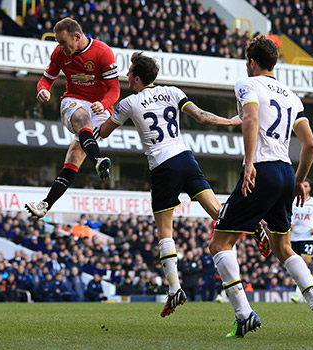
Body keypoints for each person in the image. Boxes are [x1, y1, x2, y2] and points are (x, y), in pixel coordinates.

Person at [209, 35, 313, 338]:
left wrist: (249, 162)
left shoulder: (247, 84)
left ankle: (244, 314)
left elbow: (250, 117)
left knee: (220, 244)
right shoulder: (292, 96)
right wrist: (300, 180)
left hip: (262, 169)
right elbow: (310, 145)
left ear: (252, 62)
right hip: (286, 173)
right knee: (283, 246)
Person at [99, 52, 240, 316]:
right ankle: (254, 226)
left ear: (137, 78)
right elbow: (201, 117)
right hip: (186, 158)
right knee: (220, 214)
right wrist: (231, 121)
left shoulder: (130, 102)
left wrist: (100, 112)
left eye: (129, 73)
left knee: (165, 230)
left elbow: (104, 132)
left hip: (163, 166)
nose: (126, 76)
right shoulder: (173, 92)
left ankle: (174, 288)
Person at [25, 17, 120, 218]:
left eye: (63, 42)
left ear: (77, 36)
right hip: (73, 101)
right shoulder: (60, 54)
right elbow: (46, 79)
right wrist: (43, 90)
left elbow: (114, 90)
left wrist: (103, 104)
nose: (61, 47)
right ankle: (98, 159)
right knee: (83, 119)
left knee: (73, 158)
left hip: (100, 108)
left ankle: (45, 205)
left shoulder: (102, 52)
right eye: (58, 43)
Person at [289, 179, 313, 303]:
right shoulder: (293, 201)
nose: (303, 188)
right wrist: (290, 224)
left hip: (307, 237)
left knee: (304, 264)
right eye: (302, 185)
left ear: (309, 188)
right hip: (294, 237)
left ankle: (297, 294)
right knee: (295, 265)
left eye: (306, 186)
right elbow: (288, 215)